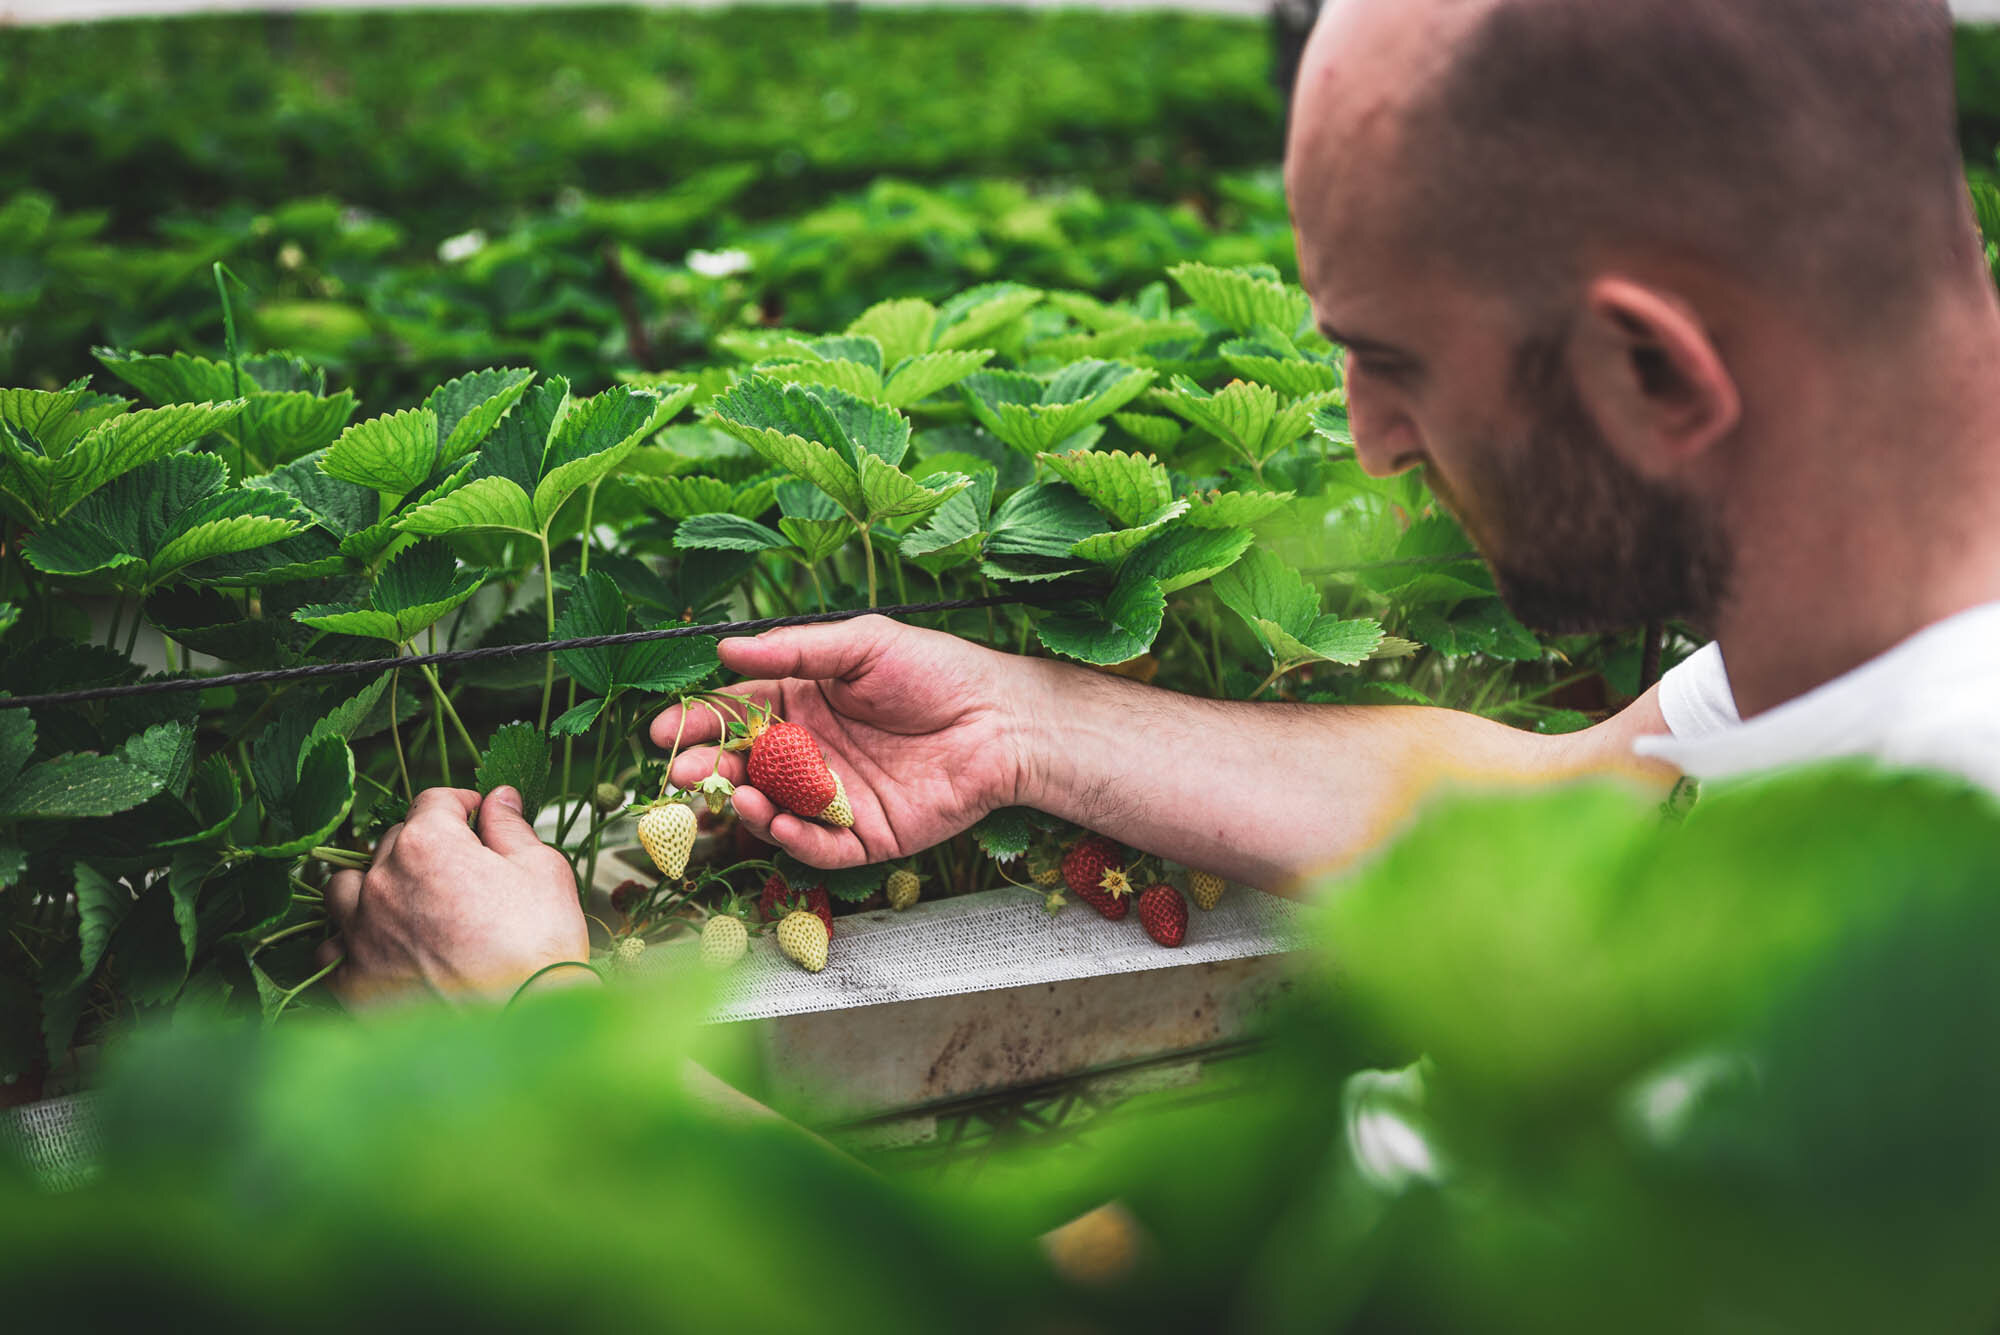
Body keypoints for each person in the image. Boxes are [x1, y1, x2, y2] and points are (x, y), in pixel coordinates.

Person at [322, 0, 2000, 1003]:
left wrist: (534, 1019)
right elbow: (1575, 800)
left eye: (1395, 360)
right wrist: (1024, 726)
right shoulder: (1873, 636)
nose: (1368, 445)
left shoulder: (1896, 973)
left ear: (1657, 373)